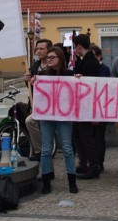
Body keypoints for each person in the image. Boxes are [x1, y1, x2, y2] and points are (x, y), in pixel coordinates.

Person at [38, 46, 78, 195]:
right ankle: (46, 181)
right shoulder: (42, 74)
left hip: (64, 115)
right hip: (47, 115)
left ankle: (72, 181)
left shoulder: (69, 74)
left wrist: (78, 80)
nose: (49, 59)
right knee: (46, 150)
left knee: (67, 148)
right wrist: (29, 81)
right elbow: (35, 91)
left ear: (60, 59)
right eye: (48, 57)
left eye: (52, 57)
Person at [71, 33, 102, 179]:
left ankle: (93, 166)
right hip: (81, 105)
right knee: (78, 135)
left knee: (86, 137)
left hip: (86, 105)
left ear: (79, 46)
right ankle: (84, 163)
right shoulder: (87, 60)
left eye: (75, 47)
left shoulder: (90, 62)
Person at [24, 38, 52, 161]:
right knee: (30, 121)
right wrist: (28, 80)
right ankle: (40, 150)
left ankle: (45, 151)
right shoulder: (35, 66)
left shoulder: (53, 66)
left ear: (48, 50)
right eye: (37, 49)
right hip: (38, 104)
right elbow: (31, 87)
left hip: (51, 104)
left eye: (42, 49)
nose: (38, 51)